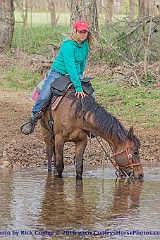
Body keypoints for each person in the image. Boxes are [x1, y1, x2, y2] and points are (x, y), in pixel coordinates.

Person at [21, 20, 96, 135]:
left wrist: (81, 77)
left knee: (92, 95)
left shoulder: (85, 44)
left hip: (75, 73)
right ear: (75, 31)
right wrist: (78, 87)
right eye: (81, 32)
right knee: (45, 95)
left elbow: (82, 63)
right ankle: (33, 119)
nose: (83, 34)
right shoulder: (68, 46)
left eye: (85, 32)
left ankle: (89, 123)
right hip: (59, 72)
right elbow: (70, 67)